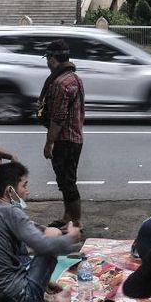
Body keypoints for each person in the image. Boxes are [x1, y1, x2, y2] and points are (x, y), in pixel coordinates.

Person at [0, 162, 80, 302]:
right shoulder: (10, 212)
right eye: (24, 186)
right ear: (10, 191)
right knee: (53, 235)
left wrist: (44, 280)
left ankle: (43, 290)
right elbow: (43, 246)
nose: (27, 192)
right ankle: (46, 298)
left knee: (34, 238)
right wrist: (71, 238)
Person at [41, 40, 86, 228]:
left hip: (65, 139)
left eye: (47, 59)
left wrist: (49, 142)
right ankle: (67, 217)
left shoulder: (60, 83)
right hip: (74, 137)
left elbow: (58, 117)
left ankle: (76, 223)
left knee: (67, 182)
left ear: (52, 60)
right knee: (65, 181)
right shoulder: (74, 78)